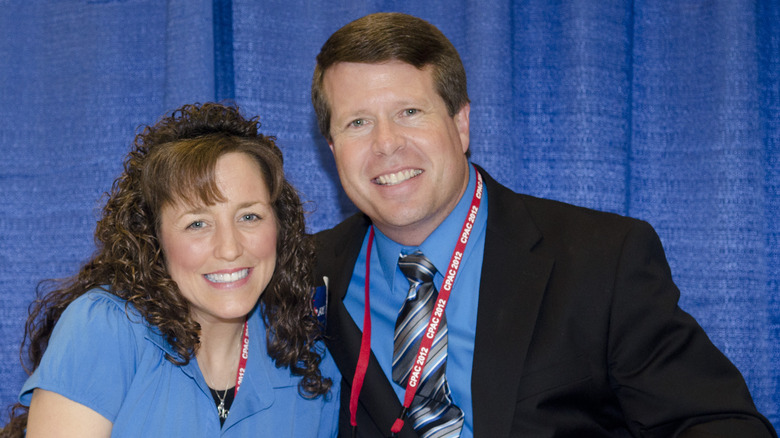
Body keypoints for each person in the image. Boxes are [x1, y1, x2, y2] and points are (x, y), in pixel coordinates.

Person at [309, 12, 776, 438]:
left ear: (461, 123)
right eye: (357, 123)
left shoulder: (602, 261)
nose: (386, 144)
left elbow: (718, 423)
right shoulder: (301, 274)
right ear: (333, 150)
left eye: (409, 112)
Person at [1, 102, 339, 437]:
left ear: (280, 226)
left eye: (249, 217)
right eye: (197, 224)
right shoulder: (104, 329)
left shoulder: (310, 366)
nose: (230, 248)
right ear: (153, 238)